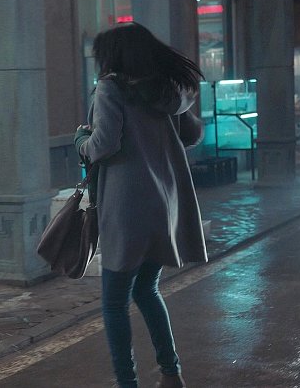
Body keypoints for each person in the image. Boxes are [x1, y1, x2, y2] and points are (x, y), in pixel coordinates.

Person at [74, 22, 207, 388]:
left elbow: (104, 145)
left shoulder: (111, 87)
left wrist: (80, 141)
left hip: (127, 205)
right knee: (147, 290)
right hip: (164, 204)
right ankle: (171, 373)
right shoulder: (168, 89)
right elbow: (193, 134)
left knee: (114, 302)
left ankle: (127, 382)